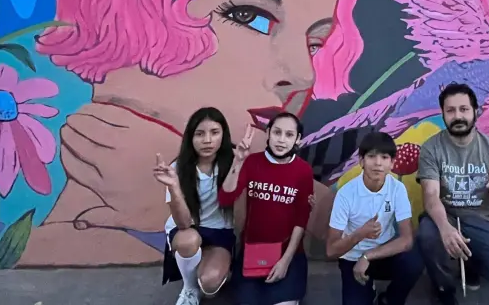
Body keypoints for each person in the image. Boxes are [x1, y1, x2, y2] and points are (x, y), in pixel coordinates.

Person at [25, 0, 364, 265]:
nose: (303, 75)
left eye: (314, 42)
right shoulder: (74, 242)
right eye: (248, 15)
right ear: (127, 2)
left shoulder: (257, 163)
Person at [416, 83, 489, 305]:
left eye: (464, 109)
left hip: (483, 218)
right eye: (450, 110)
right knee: (428, 235)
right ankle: (443, 288)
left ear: (475, 111)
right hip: (446, 213)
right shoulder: (432, 148)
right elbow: (430, 196)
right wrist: (446, 228)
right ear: (443, 114)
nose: (458, 116)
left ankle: (473, 261)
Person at [219, 112, 315, 305]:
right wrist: (238, 161)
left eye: (289, 135)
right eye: (277, 132)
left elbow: (301, 219)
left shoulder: (303, 170)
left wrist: (286, 260)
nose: (281, 140)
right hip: (252, 251)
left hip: (289, 253)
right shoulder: (252, 162)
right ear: (268, 133)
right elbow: (225, 198)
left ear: (297, 139)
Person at [326, 131, 424, 305]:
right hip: (352, 258)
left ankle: (390, 300)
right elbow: (331, 250)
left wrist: (368, 256)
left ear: (392, 163)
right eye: (371, 156)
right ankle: (367, 290)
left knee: (413, 261)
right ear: (361, 161)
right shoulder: (346, 194)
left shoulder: (397, 189)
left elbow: (407, 240)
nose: (378, 163)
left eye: (384, 157)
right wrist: (360, 234)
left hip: (382, 254)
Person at [153, 107, 237, 305]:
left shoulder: (233, 163)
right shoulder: (177, 168)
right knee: (188, 240)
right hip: (189, 230)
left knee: (210, 285)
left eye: (214, 132)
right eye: (200, 134)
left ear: (223, 135)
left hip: (220, 231)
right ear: (190, 138)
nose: (207, 140)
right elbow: (183, 223)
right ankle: (189, 289)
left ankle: (212, 268)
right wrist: (173, 187)